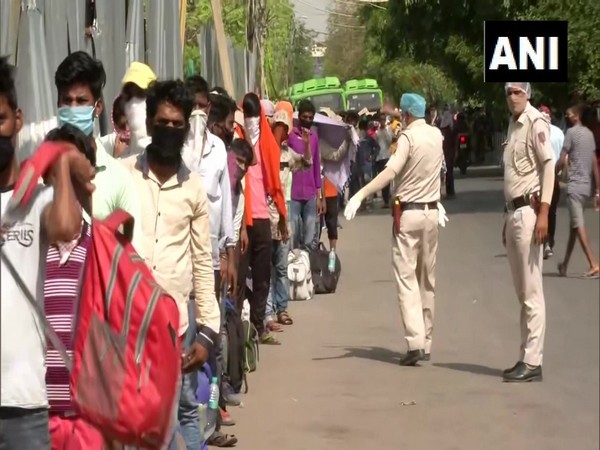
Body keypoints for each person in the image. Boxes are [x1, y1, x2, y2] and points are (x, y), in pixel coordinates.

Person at [0, 56, 95, 449]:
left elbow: (66, 227)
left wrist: (62, 161)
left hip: (24, 404)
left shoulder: (36, 200)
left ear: (17, 120)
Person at [120, 80, 220, 449]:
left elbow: (201, 262)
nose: (170, 131)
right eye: (163, 123)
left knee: (183, 410)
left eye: (178, 125)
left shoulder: (193, 188)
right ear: (149, 122)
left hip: (174, 327)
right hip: (126, 325)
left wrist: (208, 332)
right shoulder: (123, 175)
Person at [344, 93, 443, 367]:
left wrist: (360, 194)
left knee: (407, 278)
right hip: (432, 212)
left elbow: (390, 172)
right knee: (427, 279)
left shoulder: (409, 139)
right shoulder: (436, 136)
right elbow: (437, 171)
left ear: (408, 115)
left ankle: (415, 342)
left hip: (409, 215)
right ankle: (428, 340)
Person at [42, 125, 104, 449]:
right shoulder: (28, 251)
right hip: (37, 417)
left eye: (71, 169)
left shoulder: (104, 250)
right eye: (56, 171)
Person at [54, 51, 143, 254]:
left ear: (97, 108)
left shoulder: (118, 178)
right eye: (67, 101)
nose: (73, 108)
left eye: (81, 101)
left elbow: (134, 254)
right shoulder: (44, 175)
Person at [501, 82, 555, 382]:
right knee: (523, 292)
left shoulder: (535, 122)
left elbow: (548, 167)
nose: (512, 97)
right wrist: (506, 219)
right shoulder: (513, 126)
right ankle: (525, 356)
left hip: (530, 212)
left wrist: (544, 212)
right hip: (513, 212)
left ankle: (533, 361)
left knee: (532, 291)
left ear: (528, 93)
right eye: (508, 92)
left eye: (518, 92)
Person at [236, 92, 287, 345]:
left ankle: (258, 325)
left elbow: (275, 183)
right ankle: (237, 327)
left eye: (255, 115)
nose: (252, 120)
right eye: (248, 114)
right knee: (238, 273)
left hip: (263, 217)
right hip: (242, 220)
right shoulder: (237, 139)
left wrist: (282, 217)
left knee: (262, 275)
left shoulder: (266, 141)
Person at [183, 75, 236, 296]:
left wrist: (229, 257)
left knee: (209, 322)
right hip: (181, 255)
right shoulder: (177, 147)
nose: (197, 112)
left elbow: (224, 205)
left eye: (201, 106)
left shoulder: (218, 149)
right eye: (192, 106)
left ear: (209, 107)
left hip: (210, 253)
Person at [265, 100, 312, 331]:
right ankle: (269, 312)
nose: (281, 131)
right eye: (278, 126)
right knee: (267, 269)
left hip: (283, 217)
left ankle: (282, 309)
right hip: (266, 216)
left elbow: (307, 163)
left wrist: (306, 145)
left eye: (284, 127)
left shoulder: (287, 154)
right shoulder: (264, 153)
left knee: (282, 267)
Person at [557, 103, 600, 278]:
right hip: (587, 187)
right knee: (574, 226)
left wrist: (552, 172)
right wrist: (597, 189)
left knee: (579, 225)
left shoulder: (571, 133)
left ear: (576, 116)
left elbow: (562, 158)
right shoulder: (590, 134)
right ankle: (564, 265)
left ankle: (593, 263)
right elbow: (594, 165)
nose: (567, 117)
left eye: (569, 114)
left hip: (574, 187)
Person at [288, 99, 323, 250]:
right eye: (305, 117)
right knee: (293, 236)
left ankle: (307, 268)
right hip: (293, 194)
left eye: (310, 118)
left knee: (309, 238)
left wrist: (319, 196)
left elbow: (316, 167)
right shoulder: (290, 135)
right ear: (299, 116)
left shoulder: (314, 137)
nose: (307, 120)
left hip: (310, 195)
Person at [538, 105, 564, 259]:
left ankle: (545, 242)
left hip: (541, 176)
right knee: (551, 211)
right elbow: (563, 157)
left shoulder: (536, 130)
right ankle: (548, 242)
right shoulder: (559, 133)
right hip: (553, 176)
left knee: (541, 209)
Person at [374, 110, 393, 207]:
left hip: (386, 157)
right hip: (379, 158)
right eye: (381, 119)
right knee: (381, 179)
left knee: (387, 179)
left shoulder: (388, 129)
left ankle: (386, 200)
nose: (382, 121)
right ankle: (385, 199)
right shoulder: (377, 131)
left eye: (383, 119)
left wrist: (385, 129)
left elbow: (389, 141)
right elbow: (376, 143)